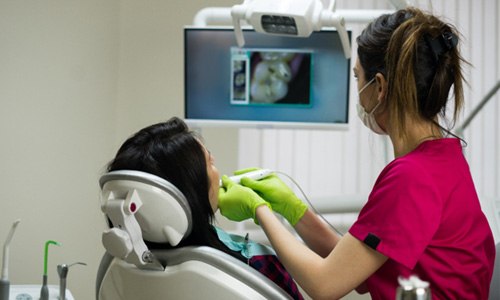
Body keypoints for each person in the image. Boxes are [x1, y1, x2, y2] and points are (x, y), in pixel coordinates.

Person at [218, 7, 495, 300]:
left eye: (357, 77)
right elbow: (356, 268)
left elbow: (325, 285)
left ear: (379, 87)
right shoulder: (443, 159)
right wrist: (293, 209)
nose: (358, 91)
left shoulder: (411, 177)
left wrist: (259, 210)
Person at [105, 117, 303, 300]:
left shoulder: (120, 268)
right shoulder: (256, 265)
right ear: (193, 190)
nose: (217, 169)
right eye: (210, 162)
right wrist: (260, 208)